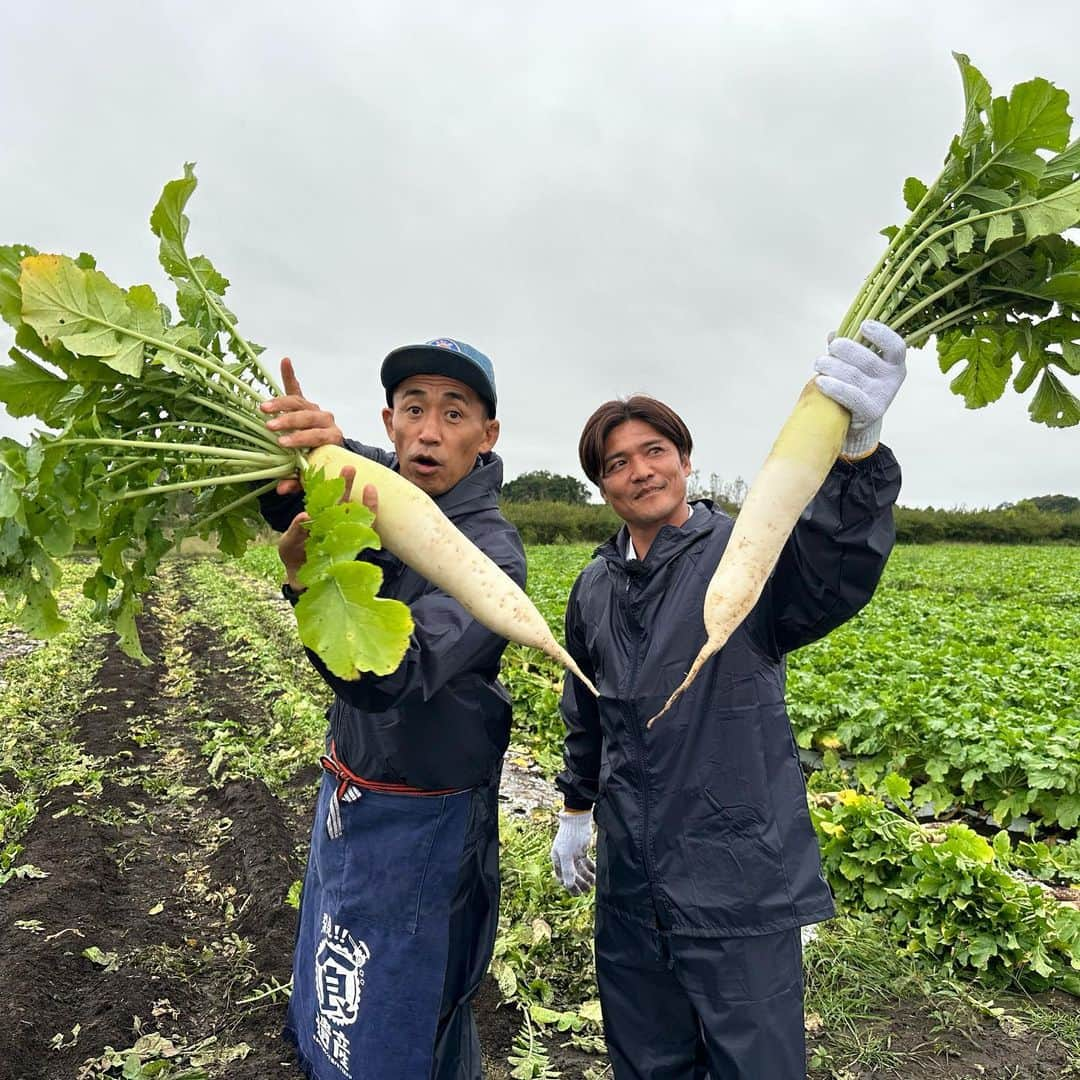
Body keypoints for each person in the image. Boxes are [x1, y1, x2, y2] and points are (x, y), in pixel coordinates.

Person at [549, 321, 907, 1079]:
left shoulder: (749, 551)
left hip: (736, 874)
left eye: (655, 452)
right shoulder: (593, 586)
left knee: (757, 1066)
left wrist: (857, 458)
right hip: (631, 886)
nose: (640, 471)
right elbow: (588, 709)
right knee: (647, 1060)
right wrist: (576, 808)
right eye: (618, 463)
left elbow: (832, 574)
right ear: (601, 485)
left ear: (684, 460)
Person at [258, 338, 526, 1080]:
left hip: (430, 817)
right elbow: (295, 495)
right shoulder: (380, 481)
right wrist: (298, 444)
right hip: (353, 789)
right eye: (414, 408)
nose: (429, 430)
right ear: (392, 419)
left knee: (418, 1003)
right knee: (339, 977)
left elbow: (387, 674)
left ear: (486, 435)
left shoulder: (491, 558)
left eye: (453, 411)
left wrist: (310, 583)